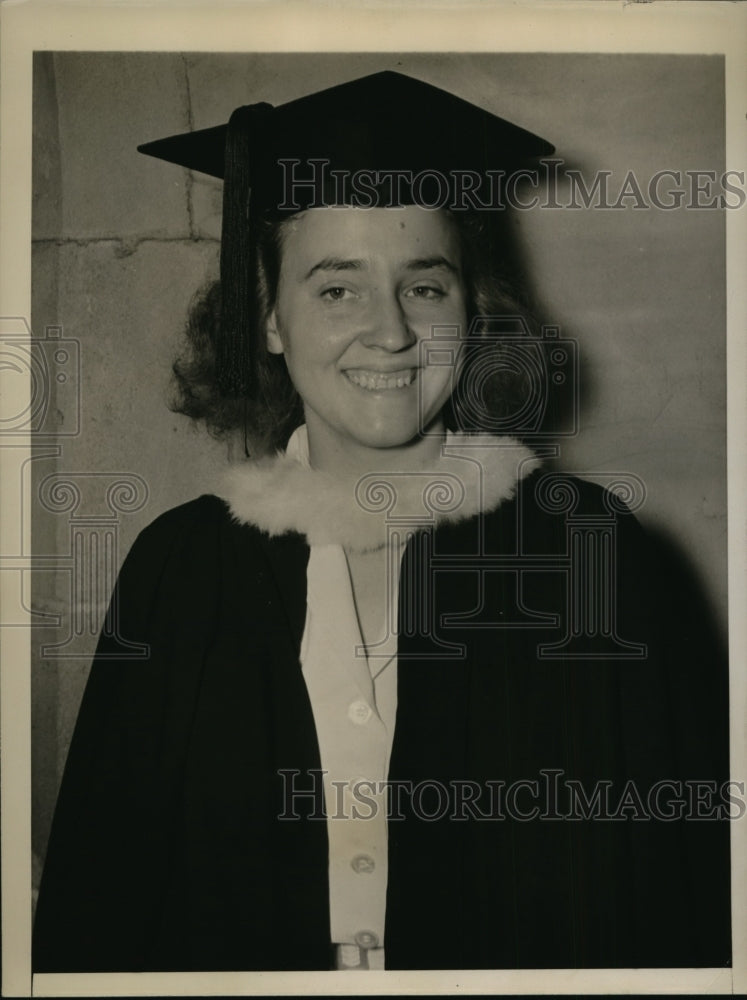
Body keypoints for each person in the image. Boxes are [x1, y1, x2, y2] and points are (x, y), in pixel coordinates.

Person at [33, 70, 730, 973]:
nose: (391, 331)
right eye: (336, 289)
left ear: (470, 312)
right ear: (269, 316)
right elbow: (106, 907)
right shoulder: (181, 566)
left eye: (425, 287)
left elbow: (677, 900)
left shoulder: (586, 554)